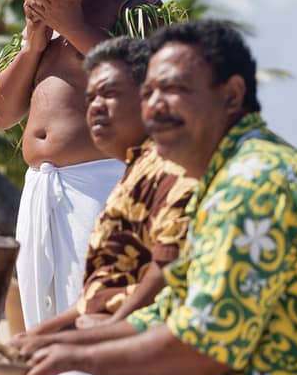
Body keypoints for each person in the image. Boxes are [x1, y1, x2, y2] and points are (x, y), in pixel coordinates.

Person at [0, 21, 297, 375]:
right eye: (150, 92)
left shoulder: (256, 181)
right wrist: (44, 348)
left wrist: (73, 354)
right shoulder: (220, 175)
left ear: (232, 96)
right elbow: (162, 316)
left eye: (175, 89)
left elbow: (201, 350)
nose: (155, 106)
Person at [0, 0, 161, 329]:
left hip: (101, 182)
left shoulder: (131, 1)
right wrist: (33, 44)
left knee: (96, 309)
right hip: (40, 189)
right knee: (41, 318)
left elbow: (144, 82)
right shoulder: (42, 15)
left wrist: (74, 25)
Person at [31, 37, 195, 334]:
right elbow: (98, 289)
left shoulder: (177, 178)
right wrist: (39, 337)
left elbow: (160, 293)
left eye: (109, 93)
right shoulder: (134, 177)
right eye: (90, 97)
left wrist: (81, 341)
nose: (94, 107)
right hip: (111, 333)